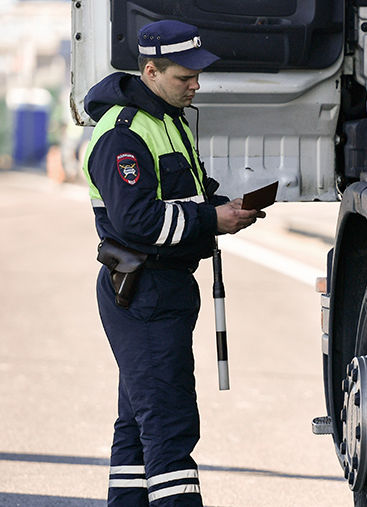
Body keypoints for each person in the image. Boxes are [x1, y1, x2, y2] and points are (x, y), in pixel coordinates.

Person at [80, 19, 261, 507]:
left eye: (197, 75)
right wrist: (211, 220)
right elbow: (138, 221)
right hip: (144, 288)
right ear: (151, 71)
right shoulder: (124, 134)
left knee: (139, 423)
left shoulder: (169, 120)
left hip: (163, 287)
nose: (195, 85)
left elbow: (187, 196)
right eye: (185, 77)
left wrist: (225, 209)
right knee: (168, 424)